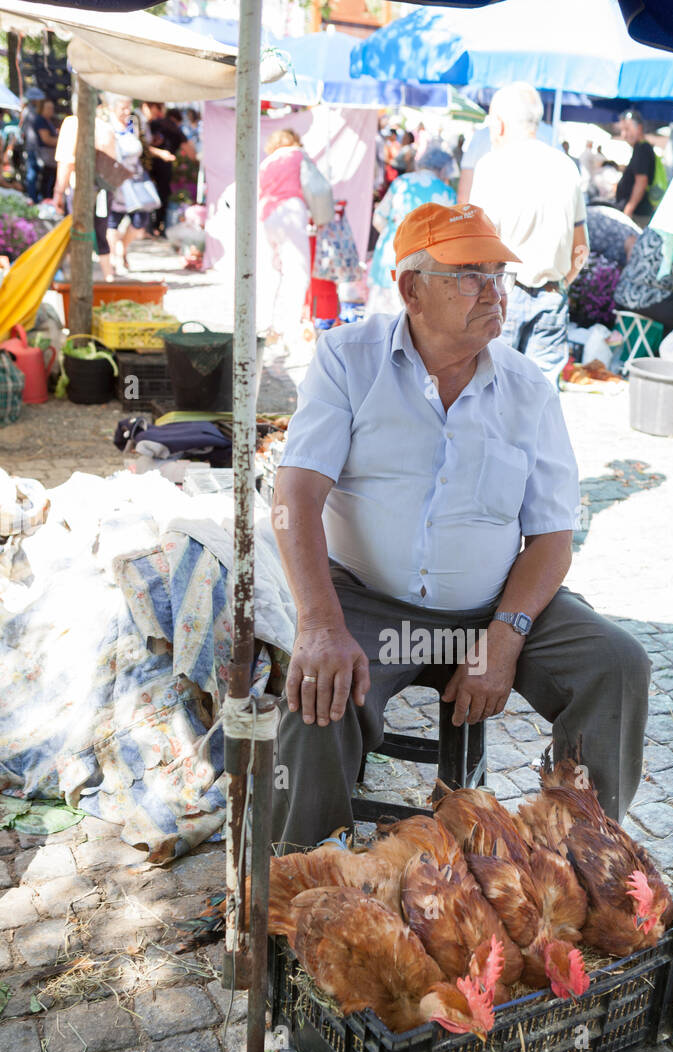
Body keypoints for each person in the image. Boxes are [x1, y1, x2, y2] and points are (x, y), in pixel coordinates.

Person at [269, 201, 651, 851]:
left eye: (498, 274)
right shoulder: (347, 359)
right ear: (411, 288)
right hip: (367, 602)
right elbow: (296, 494)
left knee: (616, 664)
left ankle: (579, 858)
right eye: (470, 275)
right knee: (315, 696)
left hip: (492, 606)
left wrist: (507, 634)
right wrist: (320, 622)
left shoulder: (529, 388)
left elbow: (552, 538)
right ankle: (307, 887)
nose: (495, 292)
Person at [470, 83, 589, 386]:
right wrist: (561, 283)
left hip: (501, 292)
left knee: (491, 390)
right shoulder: (566, 167)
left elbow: (475, 244)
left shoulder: (491, 166)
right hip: (552, 294)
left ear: (499, 123)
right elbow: (581, 249)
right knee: (541, 395)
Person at [367, 145, 457, 316]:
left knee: (380, 319)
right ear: (444, 169)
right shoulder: (447, 193)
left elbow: (378, 218)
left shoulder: (401, 182)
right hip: (424, 261)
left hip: (391, 253)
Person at [257, 128, 317, 352]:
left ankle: (266, 325)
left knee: (270, 273)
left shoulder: (267, 162)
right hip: (290, 211)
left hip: (266, 215)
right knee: (297, 273)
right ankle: (288, 330)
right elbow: (316, 185)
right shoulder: (298, 154)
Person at [53, 100, 117, 282]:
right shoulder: (105, 127)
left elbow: (66, 162)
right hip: (103, 188)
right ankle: (108, 275)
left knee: (78, 231)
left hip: (82, 188)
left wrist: (58, 191)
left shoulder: (72, 124)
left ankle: (78, 276)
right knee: (99, 232)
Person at [105, 95, 149, 274]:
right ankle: (115, 256)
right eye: (123, 108)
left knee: (140, 219)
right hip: (115, 180)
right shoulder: (108, 126)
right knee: (113, 219)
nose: (126, 112)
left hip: (135, 180)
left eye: (128, 108)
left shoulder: (133, 124)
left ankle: (122, 247)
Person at [141, 100, 193, 237]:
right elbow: (190, 151)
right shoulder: (171, 127)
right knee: (161, 196)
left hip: (150, 167)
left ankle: (150, 228)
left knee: (151, 197)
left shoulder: (153, 124)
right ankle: (156, 226)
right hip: (162, 167)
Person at [615, 110, 656, 226]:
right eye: (622, 130)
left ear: (639, 128)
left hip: (638, 215)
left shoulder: (642, 148)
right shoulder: (641, 148)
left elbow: (641, 181)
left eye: (627, 129)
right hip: (639, 213)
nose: (624, 134)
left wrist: (629, 209)